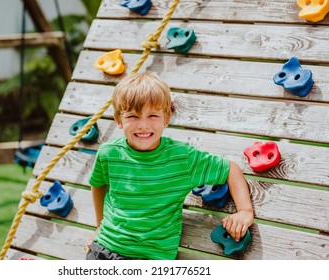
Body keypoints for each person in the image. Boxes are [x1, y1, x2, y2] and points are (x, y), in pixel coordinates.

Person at [86, 72, 254, 260]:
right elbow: (98, 183)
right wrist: (99, 225)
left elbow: (230, 169)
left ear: (166, 119)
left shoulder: (183, 159)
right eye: (132, 116)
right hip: (104, 249)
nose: (143, 125)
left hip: (151, 257)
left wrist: (245, 211)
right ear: (118, 119)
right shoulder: (108, 153)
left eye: (153, 115)